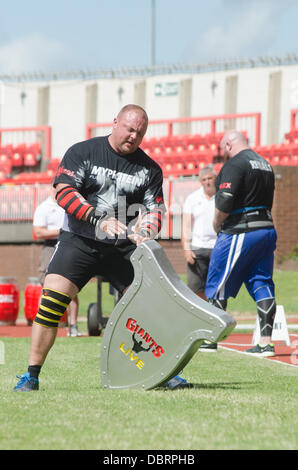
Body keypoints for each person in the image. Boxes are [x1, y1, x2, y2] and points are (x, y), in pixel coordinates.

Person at [14, 104, 190, 391]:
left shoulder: (149, 169)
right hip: (80, 240)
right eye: (129, 128)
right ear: (115, 123)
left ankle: (164, 372)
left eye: (140, 132)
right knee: (51, 305)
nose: (133, 136)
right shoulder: (83, 152)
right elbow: (64, 193)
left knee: (151, 308)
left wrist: (146, 231)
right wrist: (99, 219)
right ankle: (31, 375)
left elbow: (156, 209)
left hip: (122, 246)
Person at [205, 130, 277, 357]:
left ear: (228, 144)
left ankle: (211, 339)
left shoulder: (235, 164)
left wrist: (217, 225)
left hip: (241, 229)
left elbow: (224, 203)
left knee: (218, 280)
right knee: (261, 282)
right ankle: (266, 342)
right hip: (266, 229)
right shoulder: (265, 164)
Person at [32, 187, 82, 337]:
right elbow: (39, 232)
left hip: (69, 247)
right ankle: (43, 325)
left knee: (71, 288)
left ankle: (73, 326)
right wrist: (61, 232)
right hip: (50, 247)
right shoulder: (44, 208)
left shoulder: (69, 205)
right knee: (46, 288)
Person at [182, 166, 218, 351]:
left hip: (218, 248)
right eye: (204, 179)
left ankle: (215, 326)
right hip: (197, 248)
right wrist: (186, 249)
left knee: (216, 290)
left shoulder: (222, 197)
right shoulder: (192, 199)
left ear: (215, 178)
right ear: (200, 181)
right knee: (195, 289)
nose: (207, 182)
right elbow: (186, 225)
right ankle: (197, 325)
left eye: (210, 178)